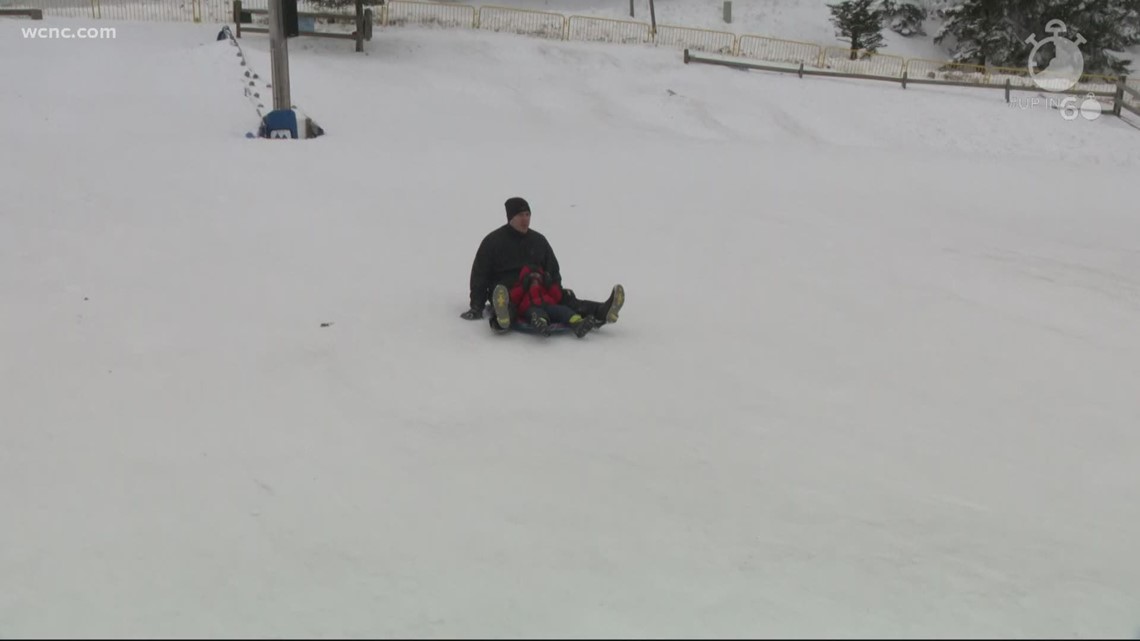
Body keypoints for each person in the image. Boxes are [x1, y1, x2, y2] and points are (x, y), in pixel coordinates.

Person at [459, 196, 624, 332]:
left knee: (567, 300)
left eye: (527, 215)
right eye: (520, 216)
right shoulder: (493, 241)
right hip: (509, 290)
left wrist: (556, 288)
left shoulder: (538, 241)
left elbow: (553, 269)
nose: (525, 219)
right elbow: (480, 275)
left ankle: (603, 311)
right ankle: (502, 318)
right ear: (511, 218)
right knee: (509, 303)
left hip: (537, 287)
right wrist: (476, 306)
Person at [510, 264, 598, 337]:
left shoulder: (544, 287)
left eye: (537, 276)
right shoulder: (522, 287)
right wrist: (522, 287)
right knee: (535, 313)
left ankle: (577, 323)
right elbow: (513, 298)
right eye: (531, 276)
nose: (535, 279)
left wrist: (550, 285)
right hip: (530, 307)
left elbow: (558, 296)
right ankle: (541, 323)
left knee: (563, 310)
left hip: (548, 306)